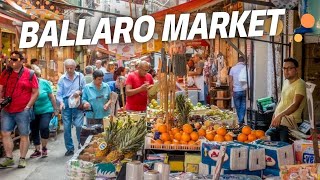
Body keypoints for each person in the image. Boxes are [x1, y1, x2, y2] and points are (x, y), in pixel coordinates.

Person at [0, 51, 39, 168]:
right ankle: (9, 157)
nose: (12, 61)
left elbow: (36, 92)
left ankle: (22, 158)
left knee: (24, 134)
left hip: (23, 110)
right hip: (7, 109)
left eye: (15, 59)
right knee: (5, 133)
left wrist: (28, 106)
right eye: (11, 59)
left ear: (22, 61)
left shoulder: (30, 74)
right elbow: (1, 87)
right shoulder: (5, 73)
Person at [266, 58, 306, 143]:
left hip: (290, 124)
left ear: (296, 69)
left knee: (285, 149)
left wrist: (280, 115)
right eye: (284, 68)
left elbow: (296, 104)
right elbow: (281, 100)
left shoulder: (300, 84)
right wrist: (275, 115)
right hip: (278, 122)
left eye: (290, 68)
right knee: (267, 138)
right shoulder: (286, 82)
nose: (286, 71)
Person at [56, 59, 85, 156]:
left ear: (75, 67)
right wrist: (61, 103)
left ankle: (81, 145)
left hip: (77, 103)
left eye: (71, 68)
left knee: (79, 125)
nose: (69, 70)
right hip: (66, 102)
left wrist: (79, 92)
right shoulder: (62, 78)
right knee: (67, 127)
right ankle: (69, 148)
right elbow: (59, 93)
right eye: (67, 68)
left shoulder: (80, 76)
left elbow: (85, 89)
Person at [30, 68, 59, 158]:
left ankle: (44, 148)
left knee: (44, 127)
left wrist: (55, 109)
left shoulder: (44, 83)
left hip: (46, 109)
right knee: (34, 129)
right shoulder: (27, 84)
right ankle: (37, 150)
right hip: (32, 110)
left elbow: (51, 97)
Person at [229, 56, 247, 126]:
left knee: (238, 107)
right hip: (244, 90)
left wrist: (231, 91)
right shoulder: (246, 68)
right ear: (244, 61)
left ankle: (240, 121)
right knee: (243, 106)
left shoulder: (233, 69)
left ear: (238, 61)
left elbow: (230, 81)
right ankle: (241, 120)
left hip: (236, 90)